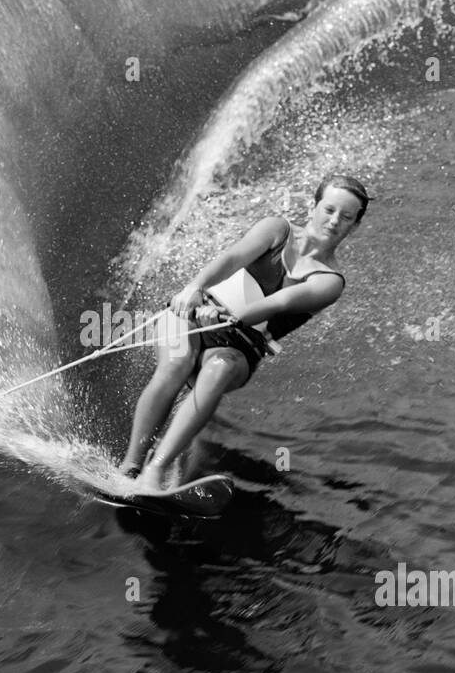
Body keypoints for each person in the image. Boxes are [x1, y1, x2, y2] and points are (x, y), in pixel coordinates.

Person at [118, 173, 372, 491]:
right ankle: (130, 466)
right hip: (195, 313)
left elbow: (279, 303)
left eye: (346, 217)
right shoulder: (276, 230)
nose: (334, 221)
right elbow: (232, 258)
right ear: (313, 208)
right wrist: (194, 289)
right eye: (329, 209)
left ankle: (156, 470)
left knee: (217, 371)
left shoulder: (330, 281)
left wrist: (231, 317)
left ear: (355, 226)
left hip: (240, 345)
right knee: (176, 363)